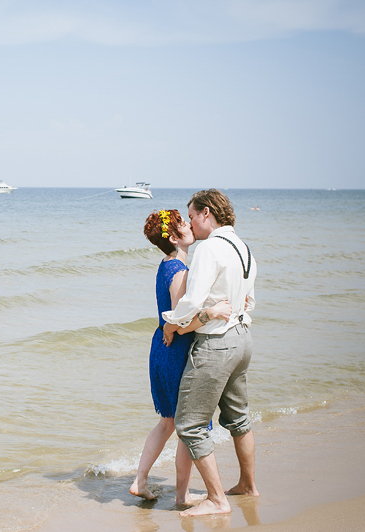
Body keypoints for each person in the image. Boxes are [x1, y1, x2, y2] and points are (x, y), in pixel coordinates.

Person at [162, 189, 258, 517]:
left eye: (191, 216)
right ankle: (248, 485)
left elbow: (191, 299)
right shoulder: (244, 248)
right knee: (238, 418)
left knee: (189, 424)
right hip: (243, 338)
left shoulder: (210, 248)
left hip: (217, 344)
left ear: (206, 213)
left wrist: (172, 324)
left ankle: (217, 500)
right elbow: (249, 300)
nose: (190, 223)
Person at [130, 209, 232, 504]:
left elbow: (173, 321)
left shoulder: (166, 264)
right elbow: (180, 322)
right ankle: (182, 495)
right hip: (173, 352)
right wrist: (213, 313)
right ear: (174, 237)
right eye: (183, 224)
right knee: (188, 425)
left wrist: (172, 327)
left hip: (161, 348)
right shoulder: (179, 271)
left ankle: (140, 481)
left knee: (168, 423)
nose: (189, 225)